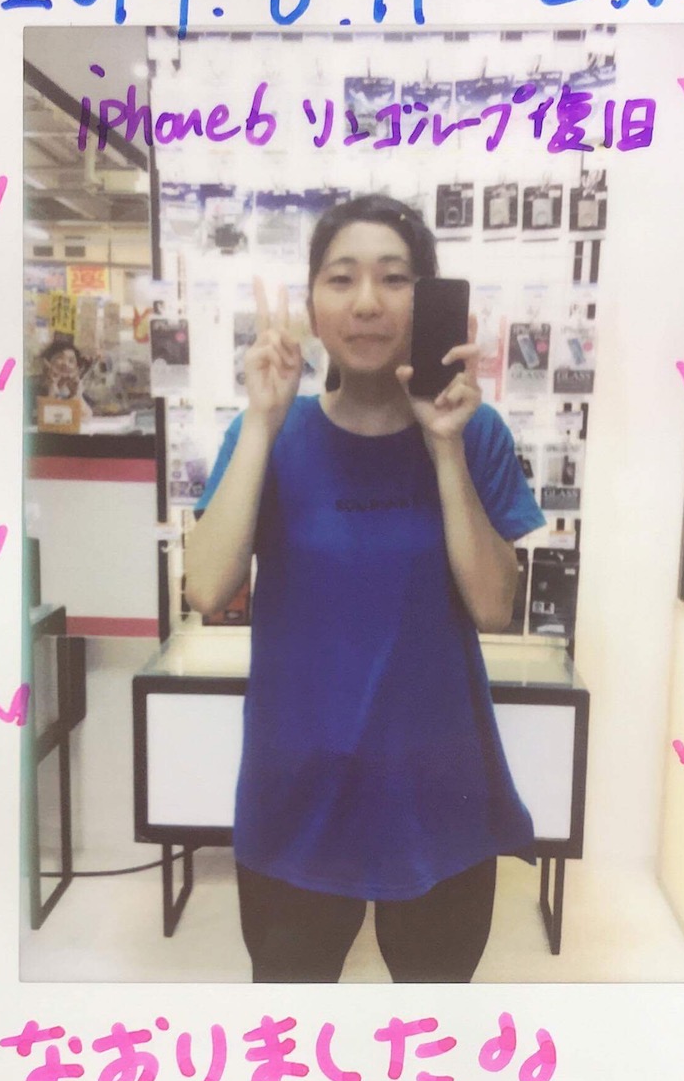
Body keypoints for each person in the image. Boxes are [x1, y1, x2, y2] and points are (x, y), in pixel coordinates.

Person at [185, 194, 545, 983]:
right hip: (297, 784)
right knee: (292, 1018)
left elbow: (493, 606)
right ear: (313, 302)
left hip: (438, 786)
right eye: (342, 278)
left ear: (427, 295)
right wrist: (261, 421)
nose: (368, 301)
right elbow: (207, 586)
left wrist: (444, 448)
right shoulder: (269, 433)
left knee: (431, 1024)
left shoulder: (476, 432)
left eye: (394, 277)